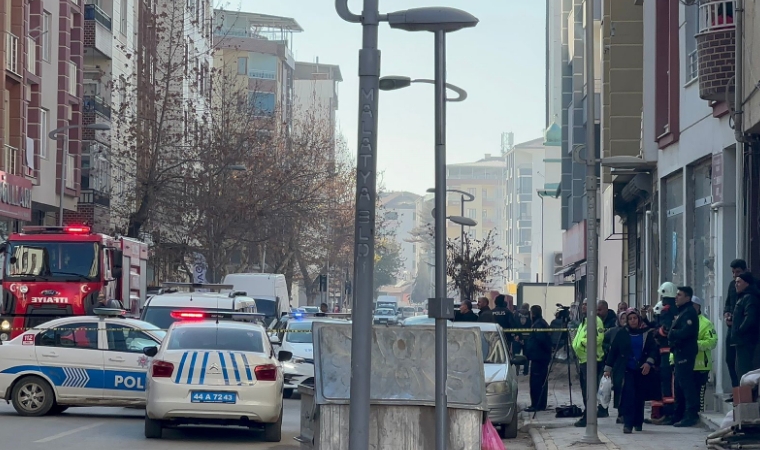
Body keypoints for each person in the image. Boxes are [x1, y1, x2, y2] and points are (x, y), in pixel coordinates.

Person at [603, 309, 658, 434]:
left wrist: (648, 362)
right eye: (630, 319)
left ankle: (638, 422)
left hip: (642, 371)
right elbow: (613, 352)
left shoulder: (646, 334)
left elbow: (653, 350)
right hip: (626, 370)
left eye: (635, 318)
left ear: (639, 319)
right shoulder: (622, 334)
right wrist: (608, 369)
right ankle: (628, 424)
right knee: (628, 396)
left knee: (639, 397)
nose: (633, 321)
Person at [672, 296, 717, 413]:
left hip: (700, 366)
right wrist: (672, 359)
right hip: (682, 365)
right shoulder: (679, 320)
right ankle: (682, 416)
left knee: (697, 394)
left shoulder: (705, 323)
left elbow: (712, 341)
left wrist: (693, 345)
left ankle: (695, 416)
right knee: (681, 393)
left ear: (697, 307)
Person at [666, 286, 700, 427]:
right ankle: (678, 414)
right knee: (678, 386)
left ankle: (691, 415)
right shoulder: (682, 312)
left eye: (679, 295)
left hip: (686, 353)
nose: (676, 297)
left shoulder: (689, 313)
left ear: (687, 298)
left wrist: (672, 334)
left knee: (686, 385)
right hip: (679, 353)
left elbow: (685, 332)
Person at [572, 298, 607, 427]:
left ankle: (589, 416)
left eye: (586, 304)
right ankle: (588, 414)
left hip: (592, 360)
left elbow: (598, 338)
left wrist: (582, 344)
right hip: (583, 359)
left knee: (589, 390)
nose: (583, 306)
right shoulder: (584, 322)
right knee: (585, 390)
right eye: (583, 304)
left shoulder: (596, 321)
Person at [731, 272, 760, 381]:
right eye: (735, 282)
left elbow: (750, 317)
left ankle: (746, 395)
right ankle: (741, 393)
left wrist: (739, 330)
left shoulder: (749, 297)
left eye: (739, 282)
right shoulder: (742, 297)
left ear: (747, 283)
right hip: (741, 340)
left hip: (746, 340)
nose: (736, 285)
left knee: (744, 370)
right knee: (739, 368)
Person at [724, 259, 747, 395]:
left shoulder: (752, 285)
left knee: (742, 362)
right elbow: (728, 303)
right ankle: (735, 389)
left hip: (743, 329)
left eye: (737, 272)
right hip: (731, 327)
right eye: (733, 272)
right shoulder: (732, 285)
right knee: (729, 359)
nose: (734, 275)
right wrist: (726, 314)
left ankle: (744, 391)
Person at [525, 305, 552, 412]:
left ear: (533, 313)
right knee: (540, 382)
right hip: (539, 357)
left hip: (539, 358)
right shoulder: (540, 323)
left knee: (536, 382)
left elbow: (542, 340)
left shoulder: (539, 324)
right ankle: (540, 404)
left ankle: (536, 404)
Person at [603, 311, 629, 424]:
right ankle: (620, 413)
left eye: (626, 318)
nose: (624, 320)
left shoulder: (633, 332)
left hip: (630, 364)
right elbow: (604, 342)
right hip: (618, 365)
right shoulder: (614, 331)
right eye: (622, 318)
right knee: (619, 387)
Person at [513, 307, 532, 376]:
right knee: (526, 355)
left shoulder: (516, 314)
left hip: (517, 337)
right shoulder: (530, 314)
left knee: (516, 355)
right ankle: (525, 371)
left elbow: (513, 324)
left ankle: (516, 371)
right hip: (527, 337)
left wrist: (516, 334)